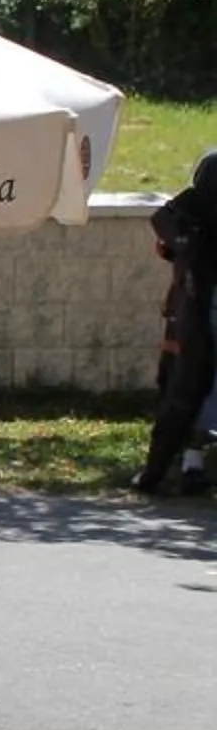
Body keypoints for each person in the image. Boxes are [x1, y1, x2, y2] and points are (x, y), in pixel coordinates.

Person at [133, 148, 217, 496]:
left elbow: (170, 230)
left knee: (191, 385)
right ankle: (189, 464)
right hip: (201, 303)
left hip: (198, 304)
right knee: (198, 386)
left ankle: (182, 465)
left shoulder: (204, 186)